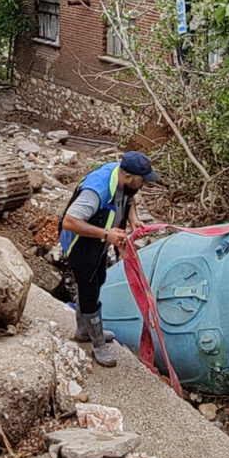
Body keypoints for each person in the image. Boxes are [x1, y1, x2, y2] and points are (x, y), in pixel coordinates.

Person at [59, 151, 160, 367]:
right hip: (81, 244)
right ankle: (97, 345)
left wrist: (134, 220)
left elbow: (129, 199)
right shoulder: (98, 190)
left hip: (100, 241)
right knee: (89, 291)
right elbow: (69, 221)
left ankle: (83, 329)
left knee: (98, 279)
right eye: (142, 180)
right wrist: (107, 235)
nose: (144, 184)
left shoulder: (125, 180)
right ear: (128, 176)